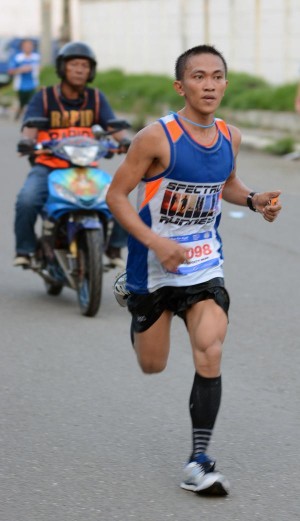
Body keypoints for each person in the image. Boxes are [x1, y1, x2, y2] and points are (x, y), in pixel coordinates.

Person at [106, 44, 282, 496]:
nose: (209, 84)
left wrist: (253, 199)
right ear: (180, 86)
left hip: (204, 263)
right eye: (199, 77)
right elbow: (116, 197)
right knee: (153, 364)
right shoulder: (155, 138)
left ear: (225, 82)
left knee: (210, 348)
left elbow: (225, 182)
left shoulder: (230, 135)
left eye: (217, 76)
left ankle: (198, 460)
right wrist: (155, 242)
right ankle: (135, 298)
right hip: (153, 263)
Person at [13, 41, 130, 268]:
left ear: (91, 71)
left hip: (84, 167)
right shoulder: (45, 97)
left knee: (118, 197)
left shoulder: (96, 98)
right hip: (49, 165)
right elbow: (30, 125)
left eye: (85, 65)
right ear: (62, 68)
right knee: (27, 200)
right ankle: (25, 249)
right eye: (74, 64)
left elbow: (113, 125)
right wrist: (27, 141)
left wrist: (125, 141)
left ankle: (114, 246)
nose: (79, 69)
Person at [8, 39, 40, 121]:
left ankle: (30, 118)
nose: (28, 47)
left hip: (33, 84)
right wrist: (21, 69)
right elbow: (11, 71)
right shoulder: (18, 58)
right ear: (22, 47)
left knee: (32, 102)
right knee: (22, 103)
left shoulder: (36, 57)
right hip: (20, 85)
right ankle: (18, 114)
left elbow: (42, 68)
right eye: (26, 46)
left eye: (30, 45)